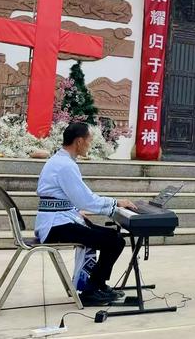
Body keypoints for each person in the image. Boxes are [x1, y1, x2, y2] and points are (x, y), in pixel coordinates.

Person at [35, 123, 136, 305]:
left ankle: (96, 285)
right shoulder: (65, 166)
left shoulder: (60, 161)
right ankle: (91, 290)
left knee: (112, 236)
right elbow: (86, 200)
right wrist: (116, 203)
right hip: (55, 225)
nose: (90, 144)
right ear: (79, 142)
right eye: (89, 141)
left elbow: (64, 198)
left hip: (59, 219)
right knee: (115, 241)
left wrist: (76, 212)